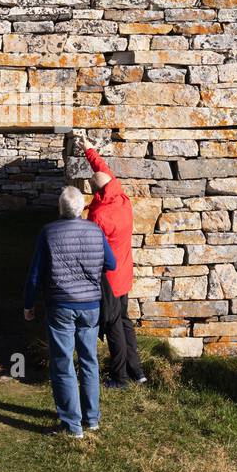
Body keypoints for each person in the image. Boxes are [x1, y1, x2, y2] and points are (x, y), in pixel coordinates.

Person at [23, 186, 117, 438]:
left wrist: (28, 304)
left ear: (60, 208)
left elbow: (34, 274)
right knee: (89, 361)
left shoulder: (49, 232)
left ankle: (72, 425)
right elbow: (111, 263)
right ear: (81, 207)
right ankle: (92, 419)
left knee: (63, 363)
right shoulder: (95, 231)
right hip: (91, 305)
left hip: (61, 305)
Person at [82, 142, 144, 388]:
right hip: (125, 273)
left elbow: (93, 250)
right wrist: (89, 150)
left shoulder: (99, 216)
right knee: (125, 320)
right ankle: (137, 371)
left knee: (113, 325)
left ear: (96, 193)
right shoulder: (122, 198)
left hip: (109, 278)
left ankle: (119, 377)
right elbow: (103, 169)